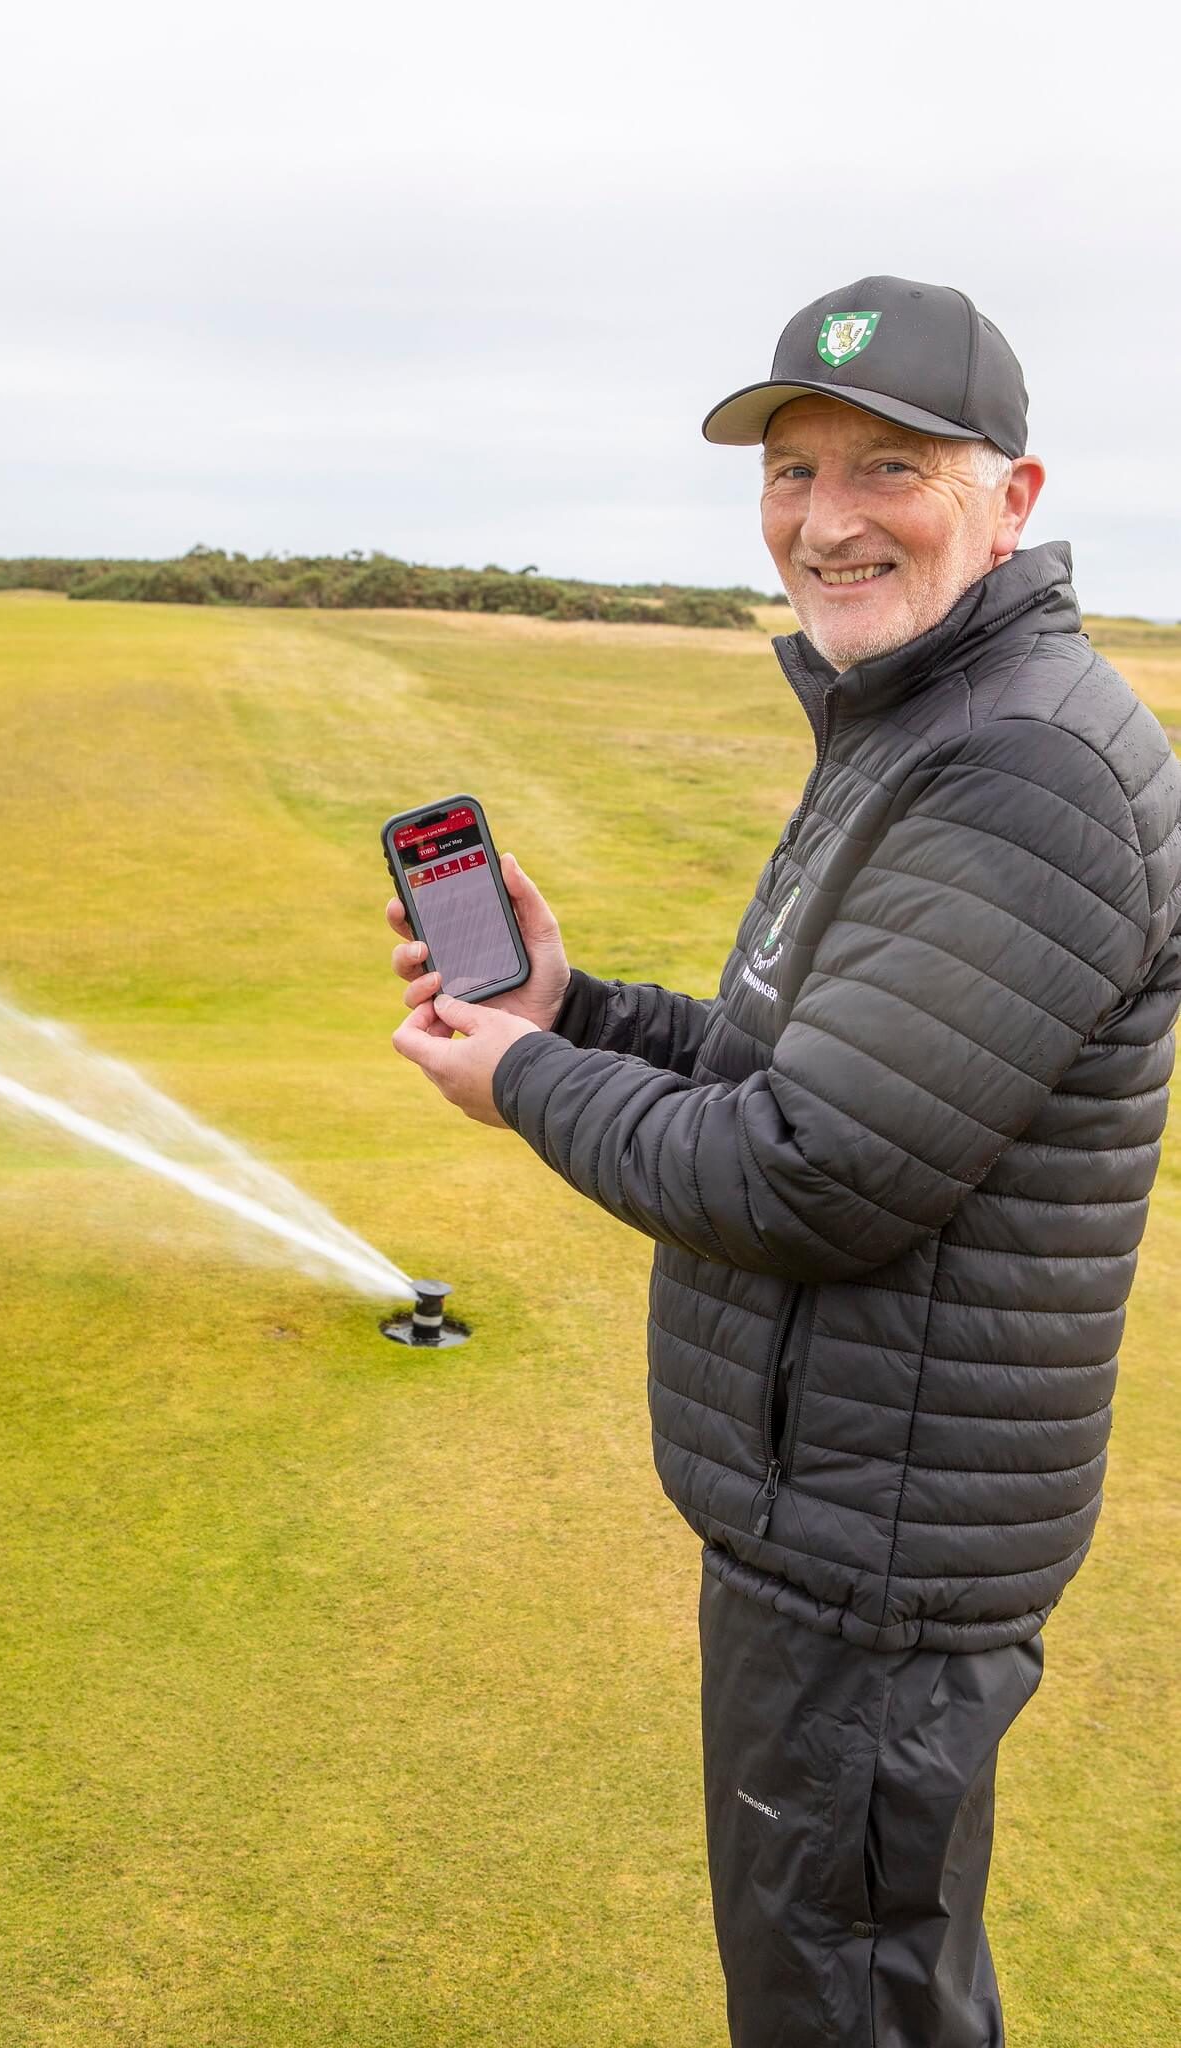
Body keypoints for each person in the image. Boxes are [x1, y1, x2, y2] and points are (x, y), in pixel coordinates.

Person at [386, 275, 1181, 2045]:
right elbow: (783, 1062)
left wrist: (519, 1081)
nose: (824, 519)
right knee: (855, 1977)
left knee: (847, 2003)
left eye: (886, 466)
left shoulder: (1021, 765)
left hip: (876, 1553)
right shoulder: (915, 717)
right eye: (792, 469)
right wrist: (567, 1006)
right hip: (839, 1521)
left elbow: (805, 1170)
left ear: (1014, 495)